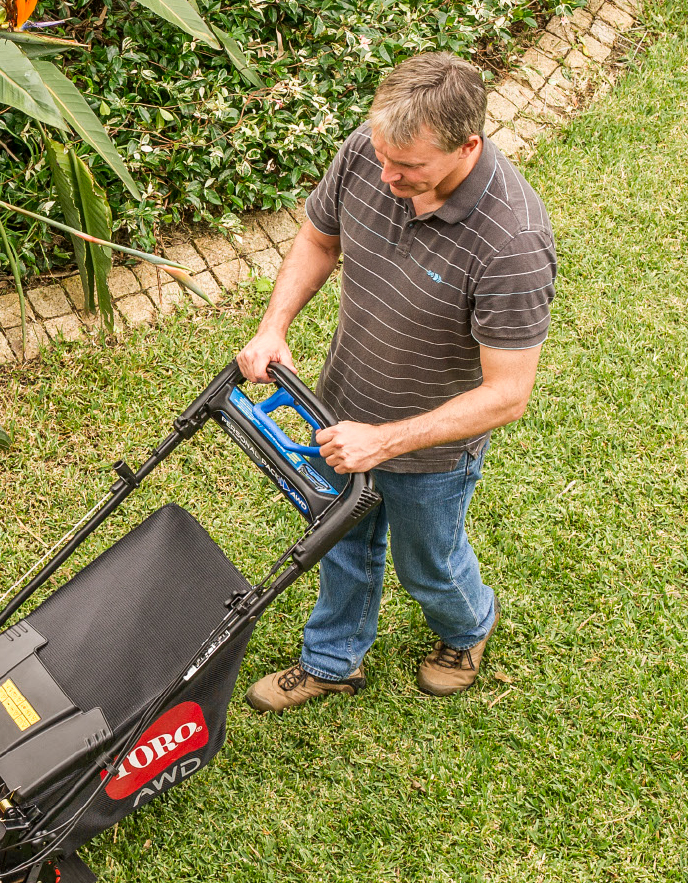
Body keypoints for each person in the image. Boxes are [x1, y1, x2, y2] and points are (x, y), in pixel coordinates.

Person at [236, 52, 557, 711]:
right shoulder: (369, 152)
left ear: (468, 146)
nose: (386, 177)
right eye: (383, 157)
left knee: (428, 566)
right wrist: (274, 326)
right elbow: (319, 240)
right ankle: (331, 661)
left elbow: (508, 394)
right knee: (341, 545)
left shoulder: (513, 241)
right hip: (341, 413)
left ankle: (468, 627)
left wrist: (384, 443)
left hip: (430, 454)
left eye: (407, 169)